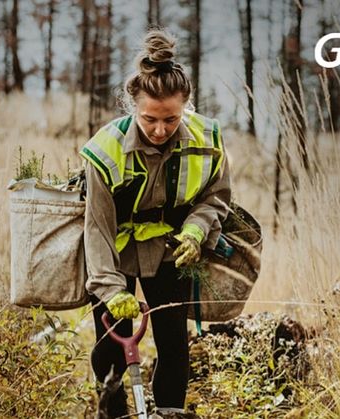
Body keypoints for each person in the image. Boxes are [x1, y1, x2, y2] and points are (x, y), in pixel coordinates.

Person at [79, 29, 231, 418]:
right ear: (132, 106)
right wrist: (112, 291)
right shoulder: (104, 149)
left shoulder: (207, 139)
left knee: (174, 348)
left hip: (171, 252)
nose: (161, 130)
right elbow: (96, 228)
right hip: (115, 253)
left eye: (171, 119)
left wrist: (198, 229)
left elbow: (217, 196)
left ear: (186, 106)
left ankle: (169, 414)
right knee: (109, 351)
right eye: (149, 119)